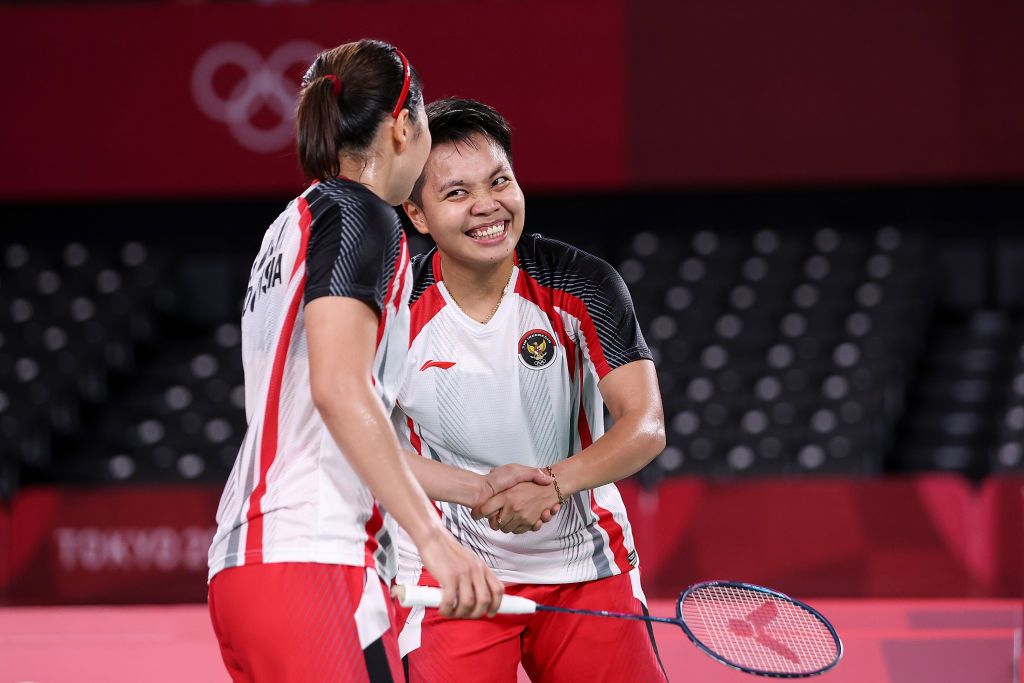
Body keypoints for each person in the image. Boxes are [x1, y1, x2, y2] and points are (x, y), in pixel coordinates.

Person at [206, 43, 520, 683]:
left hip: (244, 572)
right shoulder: (363, 216)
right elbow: (339, 390)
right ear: (405, 124)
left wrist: (475, 489)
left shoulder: (289, 226)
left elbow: (340, 429)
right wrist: (436, 543)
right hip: (314, 566)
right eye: (428, 121)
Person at [393, 98, 669, 682]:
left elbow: (644, 425)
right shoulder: (393, 310)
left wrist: (554, 483)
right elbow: (360, 441)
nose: (487, 206)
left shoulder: (579, 281)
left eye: (499, 181)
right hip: (454, 572)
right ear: (417, 214)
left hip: (587, 566)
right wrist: (478, 490)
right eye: (457, 193)